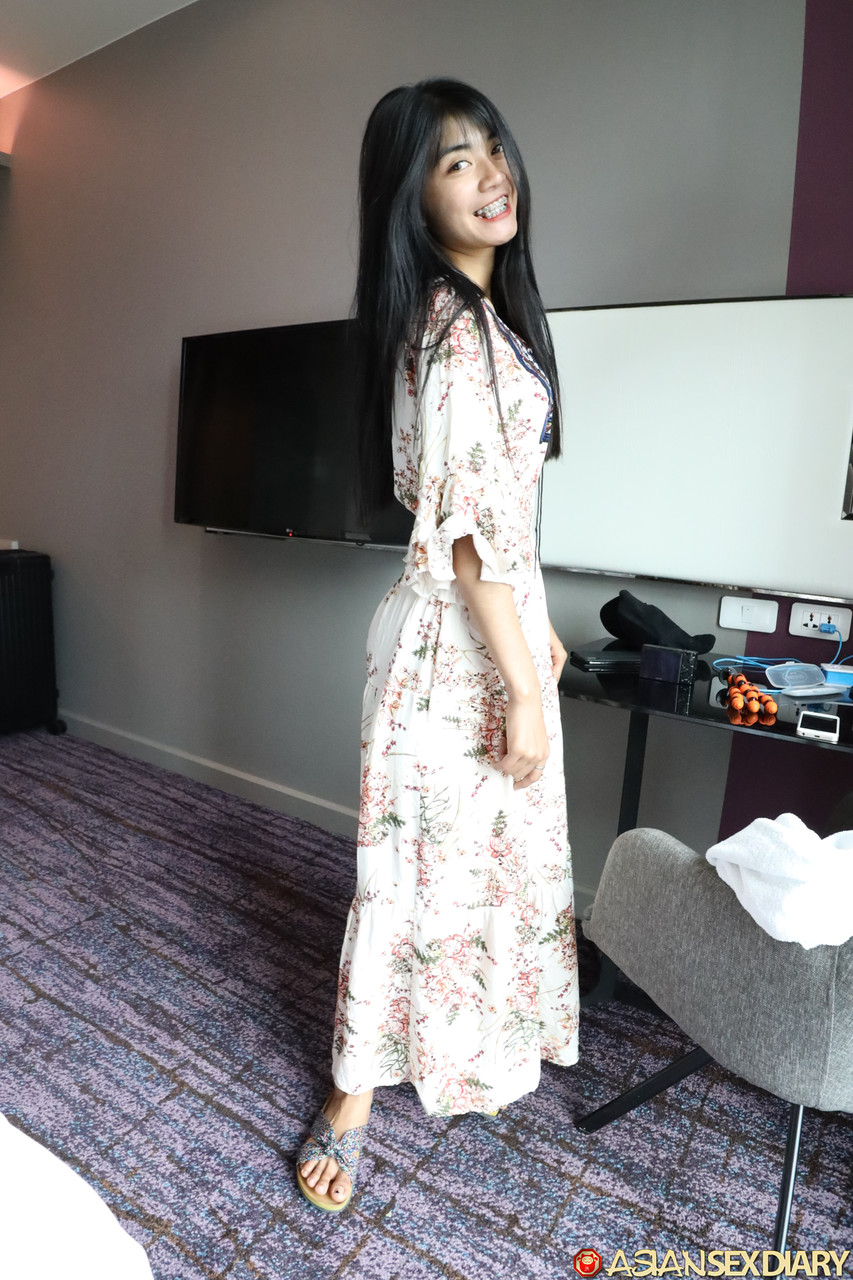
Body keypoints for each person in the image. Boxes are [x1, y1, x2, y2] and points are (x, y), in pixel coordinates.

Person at [297, 77, 579, 1212]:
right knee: (411, 874)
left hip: (491, 630)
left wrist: (538, 632)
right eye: (455, 161)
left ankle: (454, 1049)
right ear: (411, 199)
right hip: (454, 647)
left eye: (492, 147)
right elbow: (463, 535)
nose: (490, 172)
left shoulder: (491, 323)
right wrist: (523, 682)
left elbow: (502, 511)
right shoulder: (453, 332)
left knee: (475, 869)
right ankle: (349, 1099)